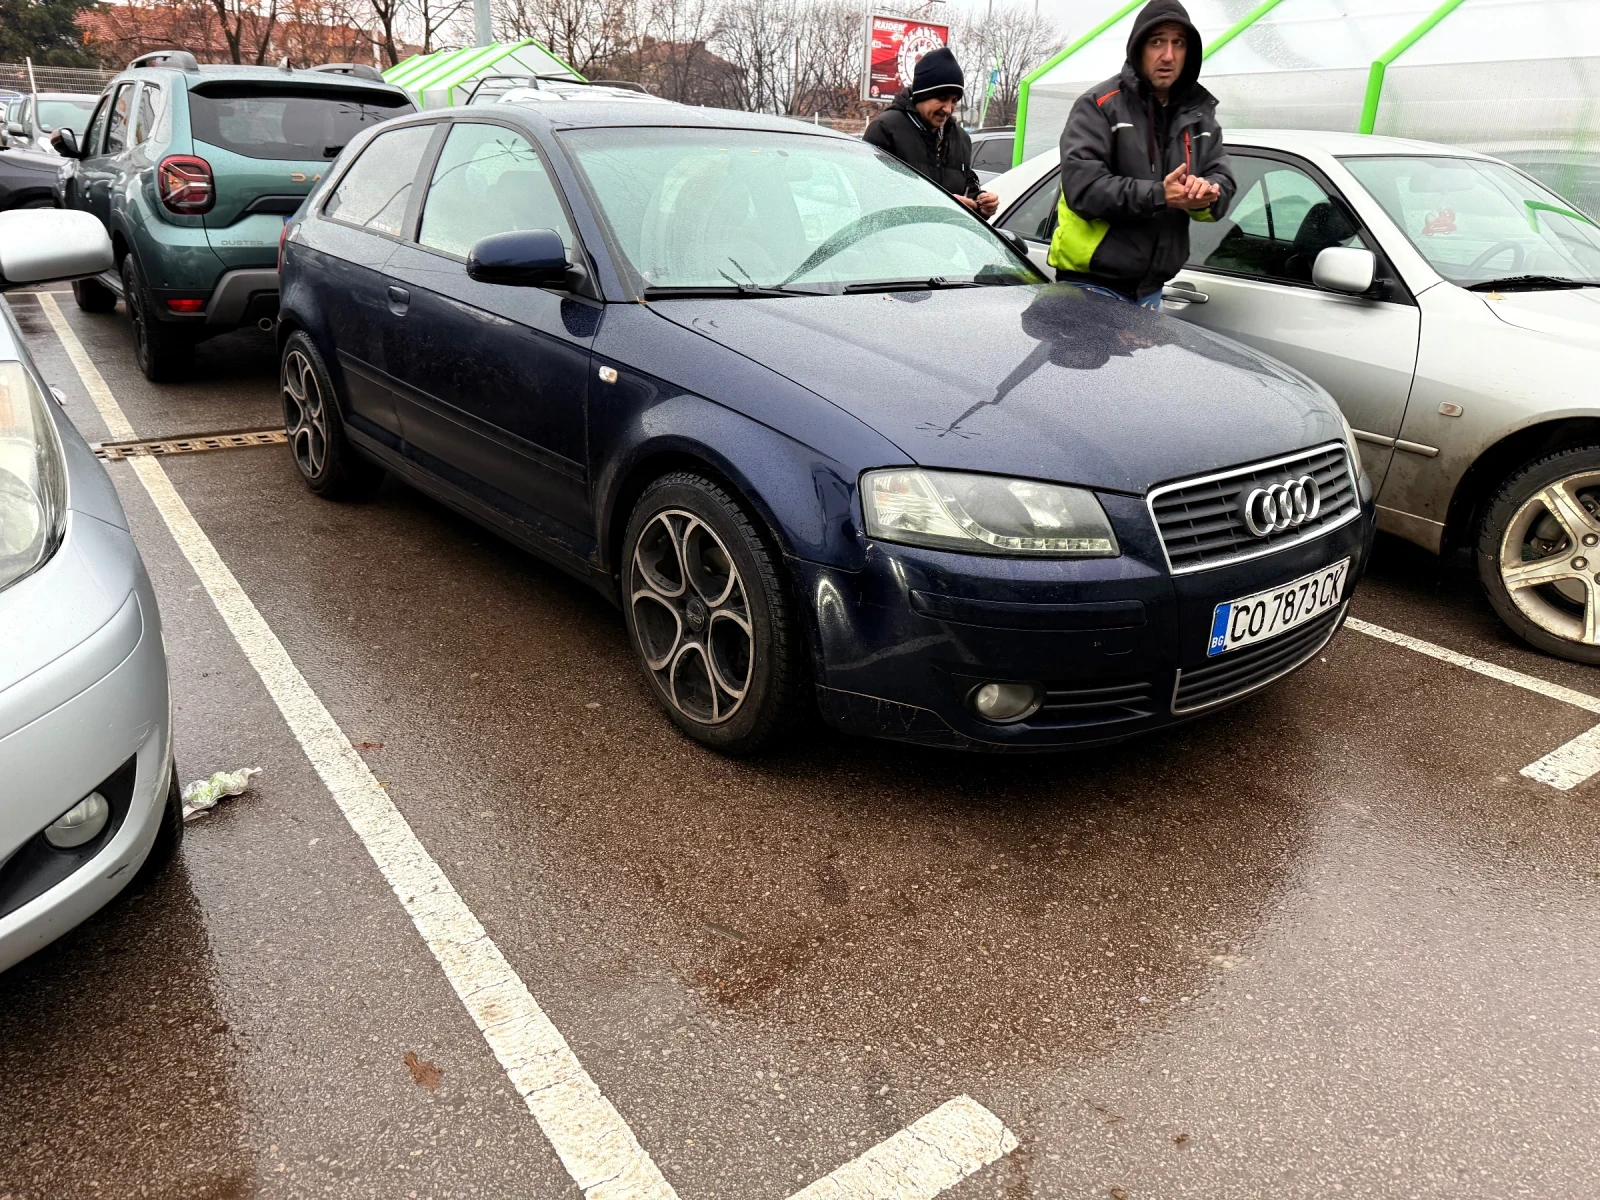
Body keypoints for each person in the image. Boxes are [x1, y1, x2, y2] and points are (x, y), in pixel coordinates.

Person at [1049, 0, 1235, 308]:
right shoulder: (1099, 105)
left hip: (1151, 291)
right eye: (1157, 42)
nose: (1168, 55)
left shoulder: (1199, 115)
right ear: (1138, 48)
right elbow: (1084, 189)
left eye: (1178, 43)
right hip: (1091, 286)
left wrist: (1206, 192)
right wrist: (1162, 194)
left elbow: (1223, 179)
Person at [863, 47, 998, 218]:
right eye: (942, 99)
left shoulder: (960, 138)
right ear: (922, 95)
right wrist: (943, 204)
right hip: (895, 234)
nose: (948, 109)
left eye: (954, 101)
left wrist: (980, 203)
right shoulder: (885, 129)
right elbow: (870, 197)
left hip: (945, 233)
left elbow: (967, 187)